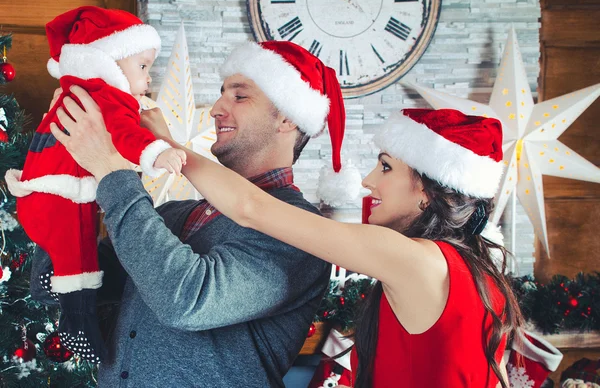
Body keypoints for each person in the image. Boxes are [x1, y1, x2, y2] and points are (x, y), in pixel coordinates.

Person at [51, 84, 523, 386]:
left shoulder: (416, 260)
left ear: (427, 191)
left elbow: (253, 209)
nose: (367, 182)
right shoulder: (476, 276)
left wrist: (155, 151)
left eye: (385, 168)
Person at [31, 41, 362, 386]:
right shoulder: (172, 215)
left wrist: (112, 172)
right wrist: (66, 171)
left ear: (287, 118)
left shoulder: (301, 235)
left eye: (239, 96)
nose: (216, 109)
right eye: (222, 94)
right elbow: (56, 284)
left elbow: (186, 300)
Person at [5, 6, 185, 362]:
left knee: (56, 246)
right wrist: (157, 151)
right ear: (109, 61)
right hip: (65, 198)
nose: (149, 79)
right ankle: (79, 327)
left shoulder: (72, 91)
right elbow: (125, 134)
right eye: (143, 67)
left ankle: (47, 282)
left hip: (38, 194)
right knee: (80, 264)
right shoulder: (108, 97)